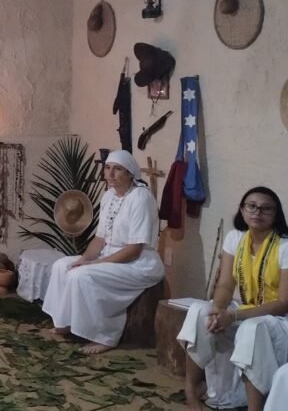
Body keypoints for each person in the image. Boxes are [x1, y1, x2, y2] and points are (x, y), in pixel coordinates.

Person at [42, 150, 165, 354]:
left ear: (130, 173)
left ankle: (106, 335)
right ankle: (64, 322)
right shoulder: (108, 196)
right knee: (63, 266)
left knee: (82, 276)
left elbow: (134, 250)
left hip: (139, 264)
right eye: (108, 168)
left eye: (117, 169)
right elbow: (100, 239)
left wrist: (92, 265)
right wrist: (83, 259)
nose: (110, 174)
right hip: (110, 256)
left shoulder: (140, 199)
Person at [178, 187, 288, 411]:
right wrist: (218, 310)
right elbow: (226, 284)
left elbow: (283, 302)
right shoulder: (235, 237)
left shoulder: (285, 246)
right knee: (201, 312)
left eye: (266, 208)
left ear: (276, 214)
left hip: (279, 320)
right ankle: (191, 390)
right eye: (252, 206)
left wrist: (234, 315)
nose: (257, 212)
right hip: (246, 310)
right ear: (242, 210)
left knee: (251, 329)